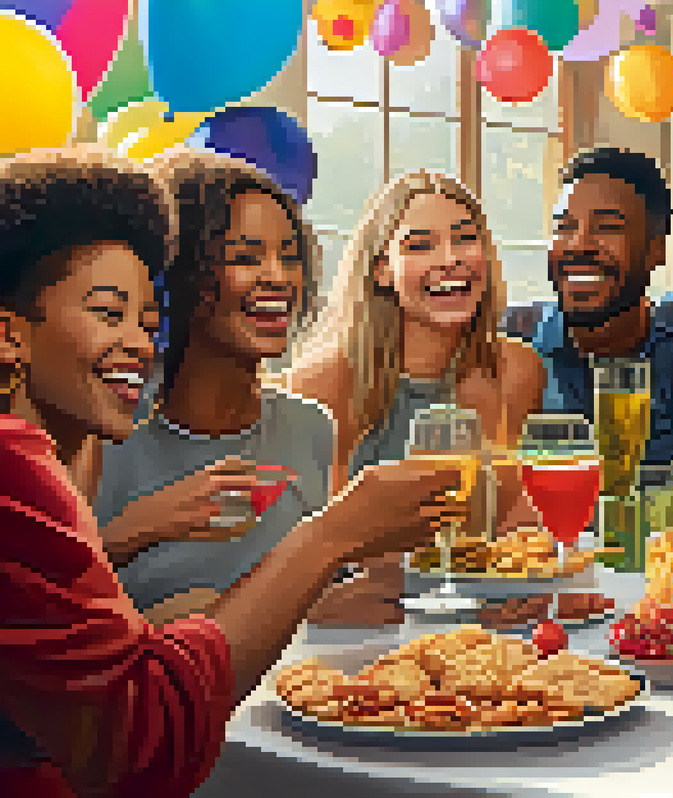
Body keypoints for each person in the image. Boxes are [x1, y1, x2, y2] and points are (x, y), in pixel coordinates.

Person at [0, 146, 456, 797]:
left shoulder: (299, 425)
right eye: (108, 313)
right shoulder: (41, 460)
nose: (135, 342)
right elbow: (140, 740)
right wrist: (326, 538)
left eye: (144, 322)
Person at [287, 170, 545, 624]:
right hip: (358, 629)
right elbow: (302, 546)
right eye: (420, 245)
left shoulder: (517, 370)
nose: (450, 260)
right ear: (382, 269)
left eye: (465, 240)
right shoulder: (322, 383)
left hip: (479, 627)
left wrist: (531, 582)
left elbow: (517, 520)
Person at [91, 149, 333, 625]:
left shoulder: (311, 429)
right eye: (245, 257)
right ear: (179, 273)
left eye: (289, 256)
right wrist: (138, 529)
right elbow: (39, 606)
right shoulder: (103, 427)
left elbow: (309, 610)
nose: (279, 278)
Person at [500, 147, 673, 464]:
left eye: (607, 227)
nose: (579, 244)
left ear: (657, 250)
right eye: (564, 227)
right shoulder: (511, 345)